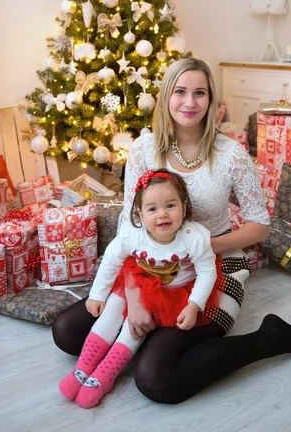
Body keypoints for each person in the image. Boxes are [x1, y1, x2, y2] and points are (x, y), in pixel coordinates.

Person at [53, 57, 291, 405]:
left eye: (200, 93)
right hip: (148, 266)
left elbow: (260, 226)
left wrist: (198, 246)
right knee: (66, 332)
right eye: (180, 91)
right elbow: (129, 227)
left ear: (211, 101)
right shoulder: (144, 149)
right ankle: (152, 335)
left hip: (212, 268)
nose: (190, 102)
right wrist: (136, 300)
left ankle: (270, 337)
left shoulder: (231, 154)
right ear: (167, 96)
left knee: (157, 381)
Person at [58, 168, 219, 408]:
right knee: (112, 310)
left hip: (172, 293)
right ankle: (83, 367)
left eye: (170, 206)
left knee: (134, 328)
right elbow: (112, 260)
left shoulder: (194, 236)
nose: (162, 214)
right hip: (136, 282)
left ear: (184, 207)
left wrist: (194, 304)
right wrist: (97, 294)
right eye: (152, 209)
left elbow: (207, 272)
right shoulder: (132, 234)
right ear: (140, 214)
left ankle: (105, 373)